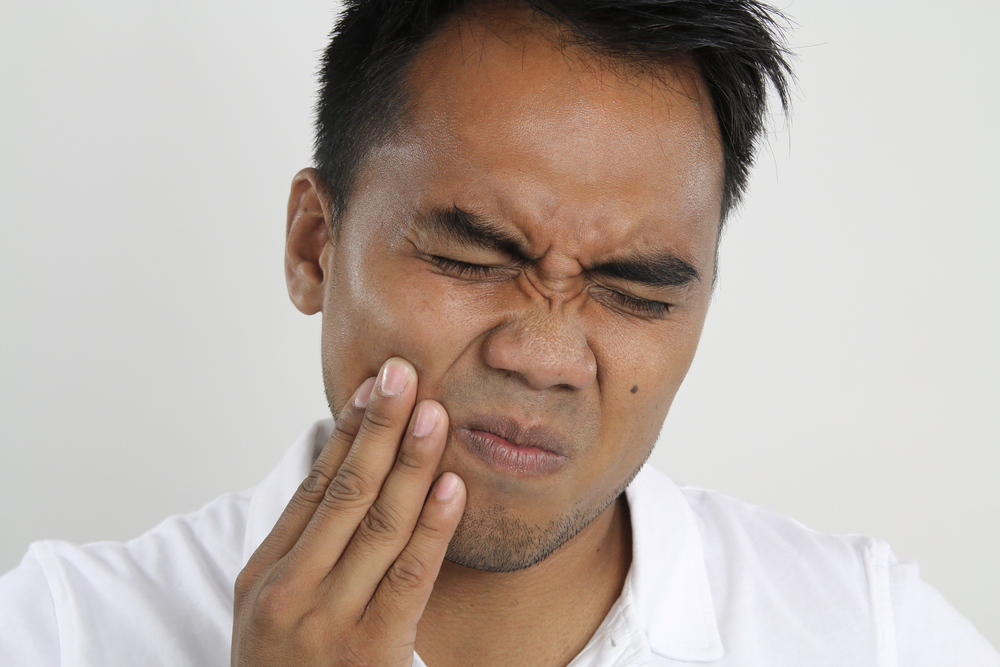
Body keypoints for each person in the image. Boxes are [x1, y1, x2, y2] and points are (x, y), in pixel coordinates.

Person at [1, 0, 996, 665]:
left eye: (635, 289)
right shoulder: (62, 631)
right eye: (472, 259)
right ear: (314, 245)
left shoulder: (868, 634)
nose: (547, 354)